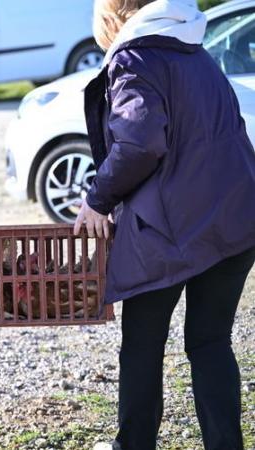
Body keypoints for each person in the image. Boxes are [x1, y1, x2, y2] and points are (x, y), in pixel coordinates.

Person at [74, 0, 255, 449]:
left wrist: (98, 199)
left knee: (142, 344)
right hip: (234, 216)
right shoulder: (195, 48)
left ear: (114, 16)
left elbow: (140, 143)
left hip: (169, 227)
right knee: (211, 342)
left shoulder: (134, 57)